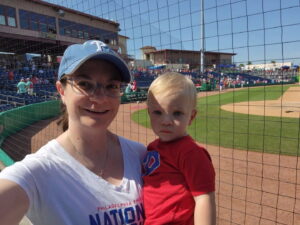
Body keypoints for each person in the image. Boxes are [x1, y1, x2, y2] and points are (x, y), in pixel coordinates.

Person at [0, 40, 146, 225]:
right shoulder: (38, 171)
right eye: (85, 84)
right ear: (61, 90)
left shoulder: (139, 154)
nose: (100, 98)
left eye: (111, 86)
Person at [143, 72, 216, 225]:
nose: (166, 121)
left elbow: (204, 198)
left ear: (191, 117)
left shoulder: (191, 153)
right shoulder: (151, 148)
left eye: (177, 113)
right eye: (158, 112)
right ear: (149, 112)